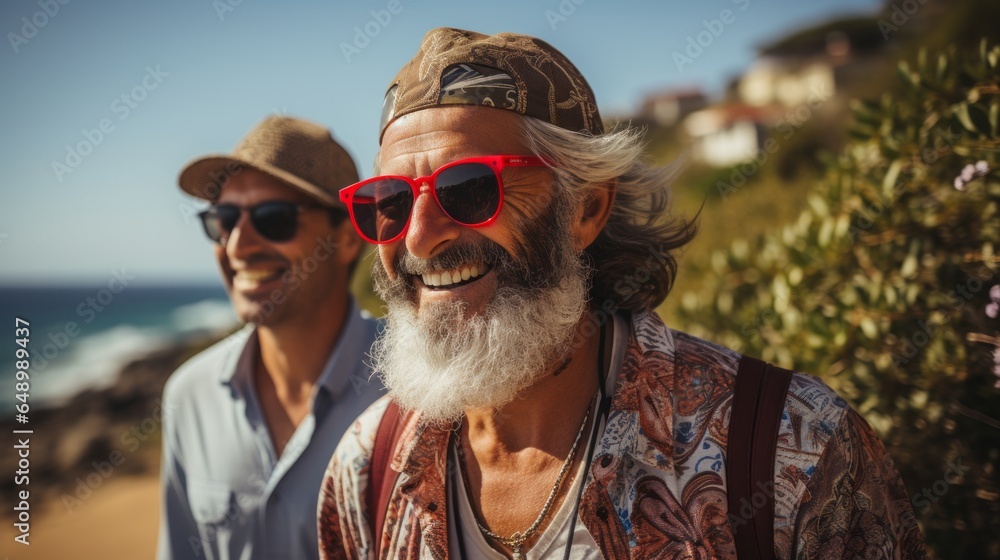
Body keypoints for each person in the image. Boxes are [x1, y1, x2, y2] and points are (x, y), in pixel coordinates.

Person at [319, 28, 926, 559]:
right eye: (390, 203)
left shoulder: (793, 450)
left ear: (585, 208)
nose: (420, 240)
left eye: (470, 188)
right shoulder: (369, 469)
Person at [159, 115, 383, 560]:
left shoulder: (418, 392)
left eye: (274, 219)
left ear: (346, 237)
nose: (238, 244)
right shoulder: (189, 397)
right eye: (223, 219)